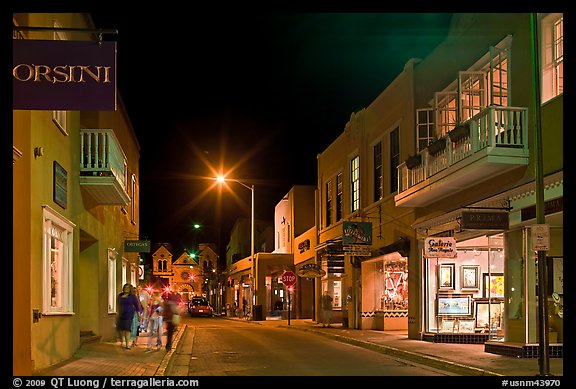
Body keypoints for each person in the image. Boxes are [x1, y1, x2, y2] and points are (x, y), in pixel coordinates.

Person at [116, 283, 142, 349]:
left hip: (129, 314)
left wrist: (139, 315)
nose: (126, 289)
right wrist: (117, 312)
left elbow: (137, 305)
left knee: (127, 329)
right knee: (121, 329)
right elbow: (118, 304)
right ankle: (122, 341)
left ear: (130, 289)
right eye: (125, 287)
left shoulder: (132, 296)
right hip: (121, 313)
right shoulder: (120, 295)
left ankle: (127, 344)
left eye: (128, 288)